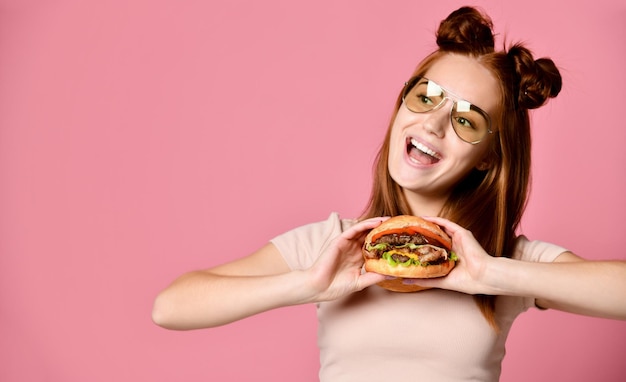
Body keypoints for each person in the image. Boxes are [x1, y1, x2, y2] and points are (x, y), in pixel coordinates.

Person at [152, 6, 626, 381]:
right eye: (425, 97)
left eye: (466, 120)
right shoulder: (333, 243)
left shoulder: (504, 261)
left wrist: (496, 273)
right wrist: (309, 285)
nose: (433, 123)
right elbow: (170, 306)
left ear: (488, 157)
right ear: (402, 103)